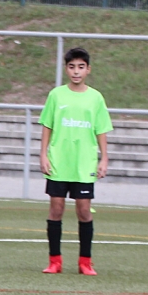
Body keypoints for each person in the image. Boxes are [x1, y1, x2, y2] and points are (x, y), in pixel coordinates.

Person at [39, 47, 112, 276]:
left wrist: (104, 158)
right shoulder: (56, 95)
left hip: (84, 163)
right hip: (59, 161)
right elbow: (47, 125)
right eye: (72, 67)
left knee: (84, 210)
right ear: (66, 69)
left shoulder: (95, 97)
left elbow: (101, 129)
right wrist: (43, 154)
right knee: (56, 208)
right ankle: (55, 261)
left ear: (88, 70)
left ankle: (85, 262)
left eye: (81, 67)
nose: (76, 71)